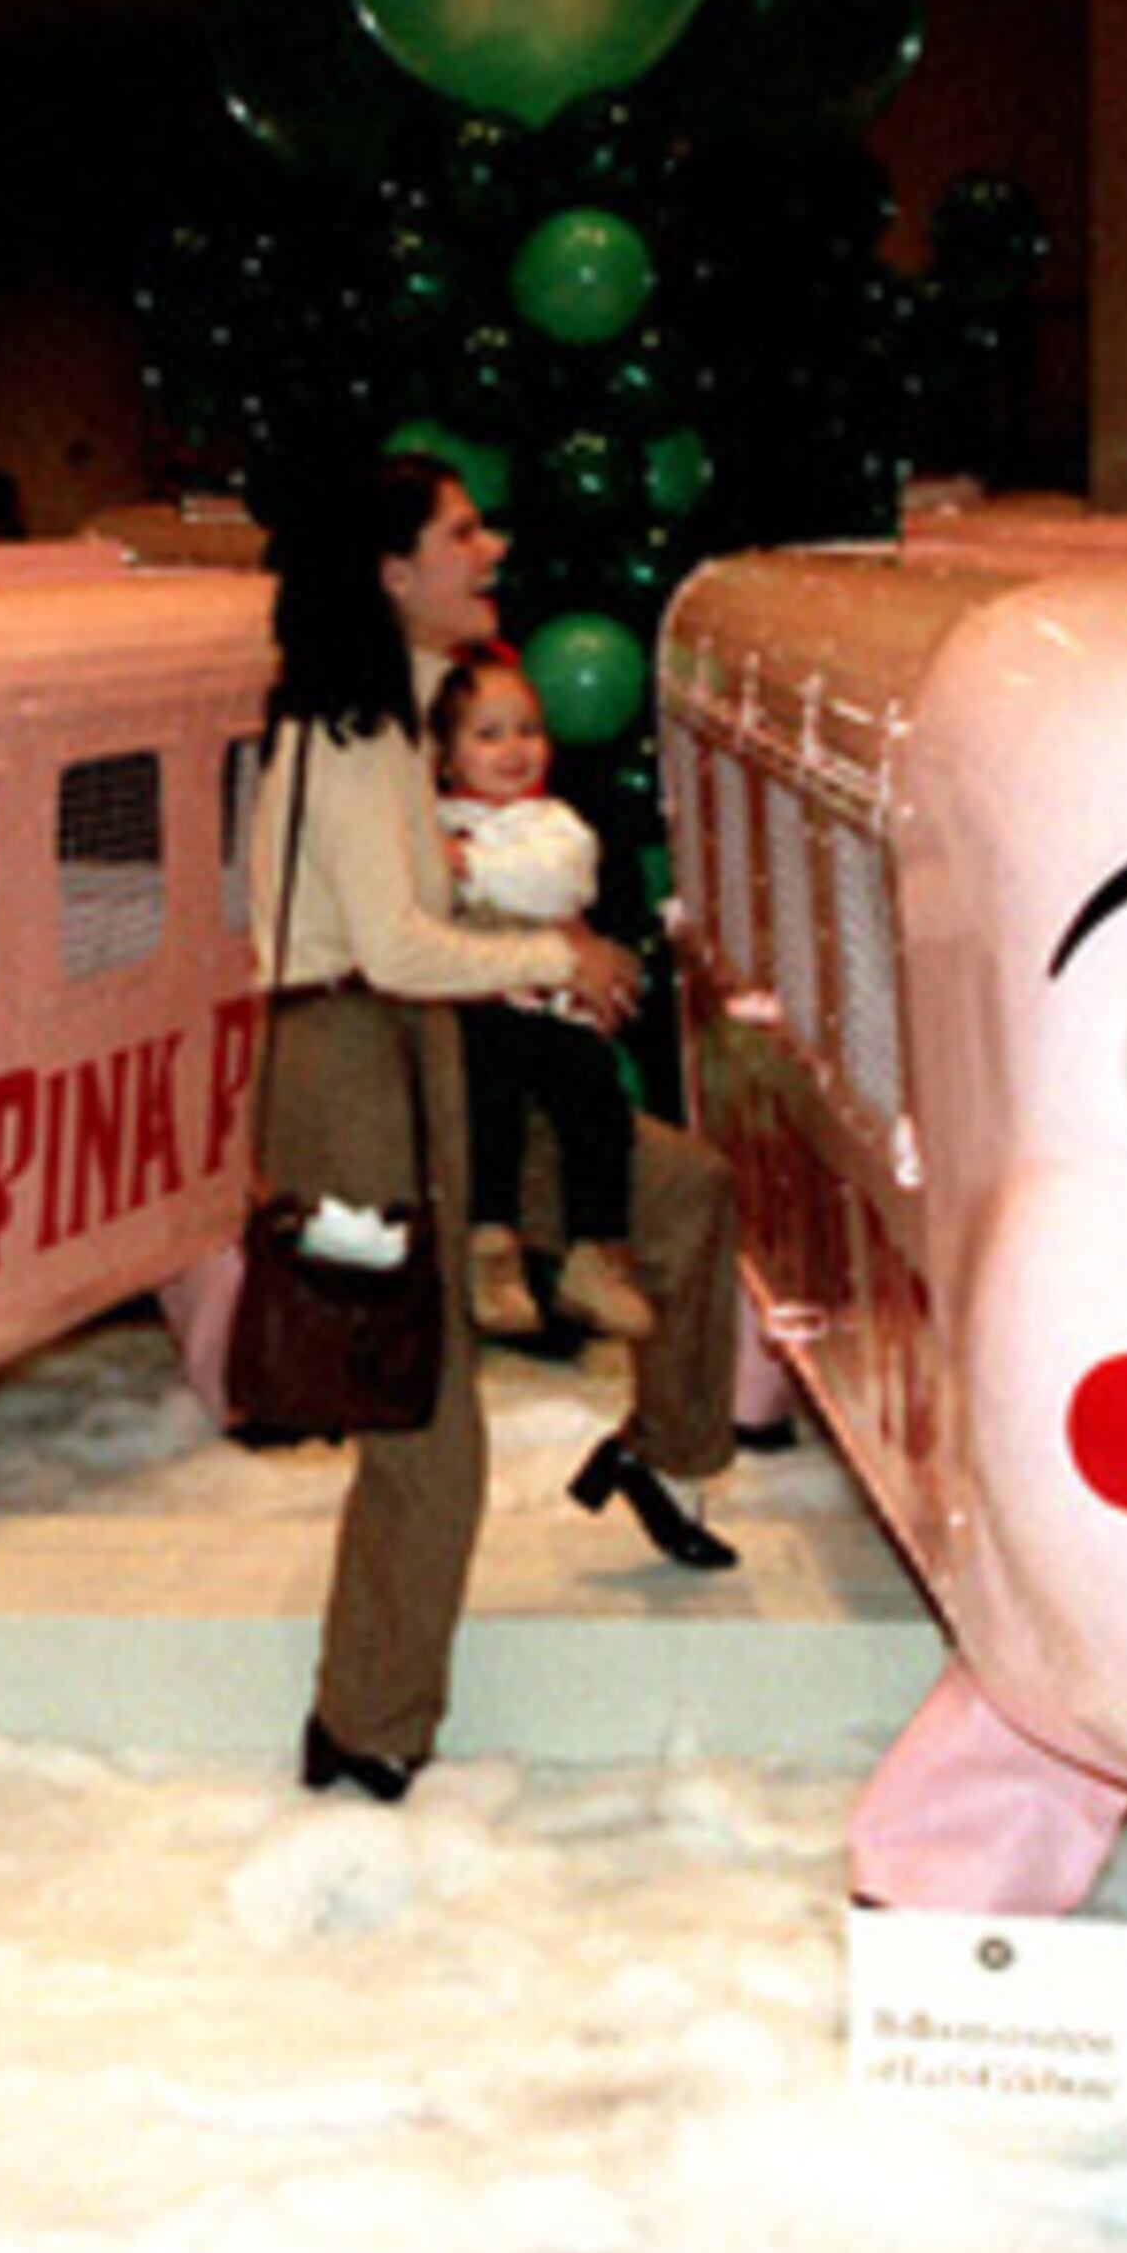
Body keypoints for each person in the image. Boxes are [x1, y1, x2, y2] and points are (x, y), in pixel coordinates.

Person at [252, 451, 745, 1809]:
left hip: (456, 1061)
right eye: (462, 531)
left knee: (684, 1191)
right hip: (361, 1077)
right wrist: (558, 954)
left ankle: (663, 1451)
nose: (492, 547)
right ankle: (363, 1728)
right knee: (424, 1419)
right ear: (390, 571)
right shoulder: (348, 737)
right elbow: (399, 946)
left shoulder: (416, 725)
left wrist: (541, 945)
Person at [425, 646, 655, 1344]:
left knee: (593, 1096)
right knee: (488, 1094)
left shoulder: (552, 824)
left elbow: (557, 884)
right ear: (444, 754)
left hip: (545, 1007)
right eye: (488, 734)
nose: (513, 749)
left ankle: (598, 1249)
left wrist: (469, 865)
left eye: (527, 730)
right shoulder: (423, 819)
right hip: (475, 1009)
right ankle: (489, 1244)